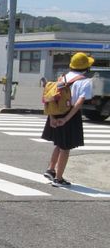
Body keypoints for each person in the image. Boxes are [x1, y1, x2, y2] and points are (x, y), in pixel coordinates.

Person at [41, 52, 94, 187]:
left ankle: (51, 170)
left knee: (58, 144)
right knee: (65, 148)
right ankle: (58, 179)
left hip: (56, 112)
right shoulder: (85, 81)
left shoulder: (62, 77)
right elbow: (79, 103)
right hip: (70, 116)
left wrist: (52, 116)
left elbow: (52, 99)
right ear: (86, 67)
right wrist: (66, 119)